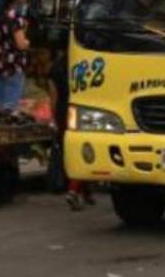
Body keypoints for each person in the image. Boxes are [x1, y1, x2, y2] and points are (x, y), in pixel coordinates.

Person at [47, 46, 94, 211]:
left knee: (71, 152)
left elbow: (54, 96)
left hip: (63, 113)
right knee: (86, 151)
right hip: (82, 111)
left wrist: (53, 118)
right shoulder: (85, 65)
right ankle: (76, 190)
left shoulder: (55, 68)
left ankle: (83, 191)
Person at [0, 0, 31, 111]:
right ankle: (5, 129)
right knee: (10, 106)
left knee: (0, 104)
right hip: (13, 65)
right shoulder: (16, 18)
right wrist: (27, 43)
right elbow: (20, 44)